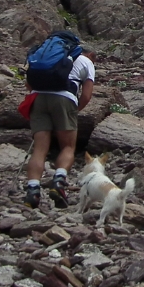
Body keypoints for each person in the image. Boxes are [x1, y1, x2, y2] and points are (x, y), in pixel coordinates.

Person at [24, 43, 96, 208]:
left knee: (40, 149)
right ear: (91, 54)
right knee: (68, 146)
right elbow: (86, 95)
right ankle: (58, 183)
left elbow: (29, 84)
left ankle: (33, 191)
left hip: (38, 98)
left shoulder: (47, 57)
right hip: (65, 98)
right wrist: (74, 110)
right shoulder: (86, 62)